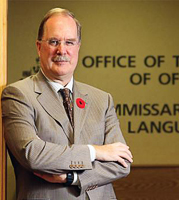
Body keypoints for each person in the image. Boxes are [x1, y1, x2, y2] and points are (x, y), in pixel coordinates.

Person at [1, 8, 133, 200]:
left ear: (78, 47)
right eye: (54, 42)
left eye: (69, 42)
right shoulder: (19, 95)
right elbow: (32, 153)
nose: (62, 50)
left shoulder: (102, 100)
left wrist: (72, 177)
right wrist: (96, 151)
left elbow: (122, 163)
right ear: (39, 47)